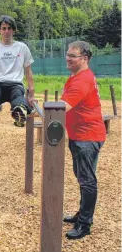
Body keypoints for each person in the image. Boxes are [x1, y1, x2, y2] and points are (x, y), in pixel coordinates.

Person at [61, 41, 106, 239]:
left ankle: (85, 224)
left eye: (73, 56)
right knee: (82, 177)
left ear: (84, 59)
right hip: (80, 135)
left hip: (87, 137)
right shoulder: (78, 77)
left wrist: (37, 110)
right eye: (67, 54)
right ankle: (82, 214)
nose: (68, 58)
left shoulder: (82, 81)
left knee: (87, 180)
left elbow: (62, 107)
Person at [0, 15, 36, 128]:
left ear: (13, 30)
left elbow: (28, 71)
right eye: (4, 28)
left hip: (15, 83)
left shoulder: (22, 48)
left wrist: (32, 94)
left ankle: (20, 110)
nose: (6, 31)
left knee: (18, 96)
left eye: (9, 28)